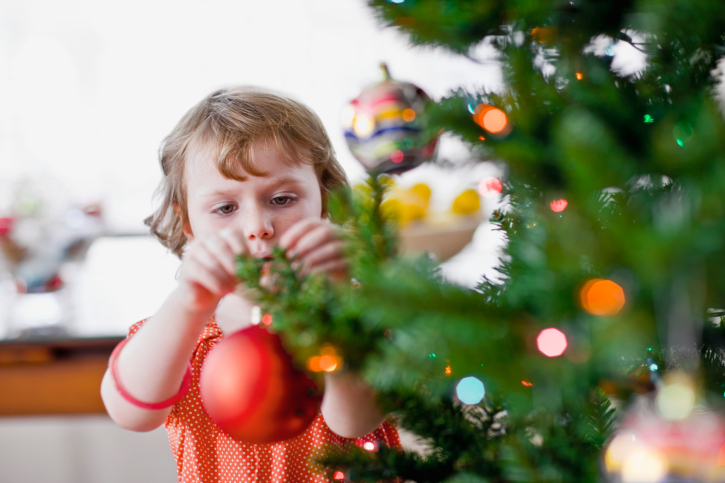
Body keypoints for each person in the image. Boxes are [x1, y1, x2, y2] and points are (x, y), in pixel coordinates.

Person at [100, 87, 399, 482]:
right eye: (226, 208)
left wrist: (336, 300)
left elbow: (354, 420)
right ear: (189, 224)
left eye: (282, 199)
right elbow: (132, 413)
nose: (258, 226)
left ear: (324, 201)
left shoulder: (364, 311)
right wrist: (188, 303)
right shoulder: (182, 330)